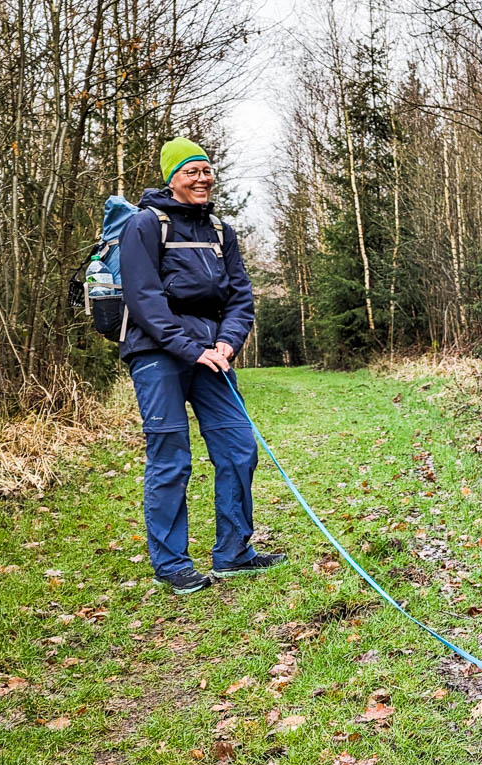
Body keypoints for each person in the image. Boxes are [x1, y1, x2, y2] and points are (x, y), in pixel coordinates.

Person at [118, 137, 286, 595]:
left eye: (207, 170)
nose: (202, 178)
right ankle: (171, 563)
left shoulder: (220, 231)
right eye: (192, 171)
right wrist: (191, 348)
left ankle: (234, 553)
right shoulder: (144, 225)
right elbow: (145, 300)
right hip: (157, 354)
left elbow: (240, 297)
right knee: (172, 458)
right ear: (172, 177)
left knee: (238, 448)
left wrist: (228, 343)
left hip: (214, 356)